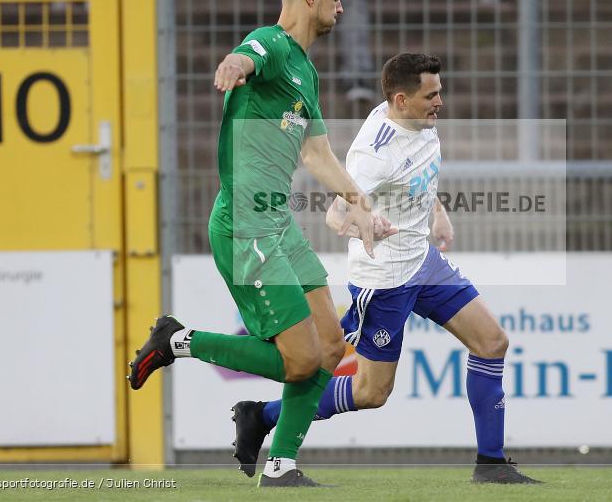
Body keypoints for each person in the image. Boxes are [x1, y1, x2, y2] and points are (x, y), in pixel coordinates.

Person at [129, 0, 384, 488]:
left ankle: (280, 463)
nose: (343, 6)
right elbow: (247, 55)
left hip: (279, 226)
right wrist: (234, 64)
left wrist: (361, 208)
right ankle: (178, 340)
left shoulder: (307, 73)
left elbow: (317, 156)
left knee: (332, 347)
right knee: (300, 361)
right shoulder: (272, 44)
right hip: (246, 226)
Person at [230, 53, 540, 485]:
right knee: (370, 393)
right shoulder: (372, 156)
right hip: (385, 280)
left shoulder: (420, 121)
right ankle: (261, 415)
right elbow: (335, 217)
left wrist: (437, 211)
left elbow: (418, 173)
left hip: (423, 263)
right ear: (400, 99)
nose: (440, 102)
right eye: (431, 95)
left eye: (440, 92)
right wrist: (363, 225)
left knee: (492, 342)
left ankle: (491, 463)